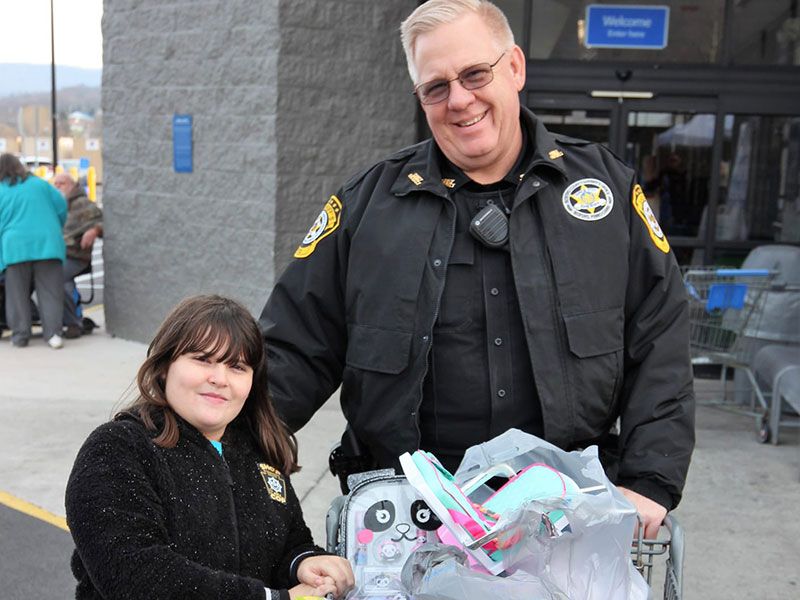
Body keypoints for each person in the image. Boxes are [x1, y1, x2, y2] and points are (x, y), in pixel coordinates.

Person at [260, 0, 694, 540]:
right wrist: (204, 444)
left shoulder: (603, 192)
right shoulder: (366, 206)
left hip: (567, 517)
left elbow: (660, 338)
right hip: (408, 520)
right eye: (435, 87)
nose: (459, 100)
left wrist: (650, 480)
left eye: (474, 74)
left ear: (514, 67)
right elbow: (293, 351)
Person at [65, 295, 354, 599]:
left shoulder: (259, 452)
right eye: (203, 359)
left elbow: (288, 541)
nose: (220, 379)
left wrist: (305, 561)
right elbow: (134, 574)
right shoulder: (117, 449)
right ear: (164, 366)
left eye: (238, 366)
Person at [0, 153, 67, 348]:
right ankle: (53, 335)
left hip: (15, 247)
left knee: (17, 293)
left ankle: (20, 335)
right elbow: (61, 206)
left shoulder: (1, 190)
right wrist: (54, 225)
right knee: (51, 291)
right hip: (48, 242)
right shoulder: (40, 184)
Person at [53, 172, 103, 338]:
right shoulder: (54, 204)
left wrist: (94, 230)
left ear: (73, 185)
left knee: (59, 278)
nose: (58, 186)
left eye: (62, 183)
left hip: (75, 255)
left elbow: (101, 220)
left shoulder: (82, 203)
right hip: (54, 253)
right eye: (56, 183)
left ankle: (73, 322)